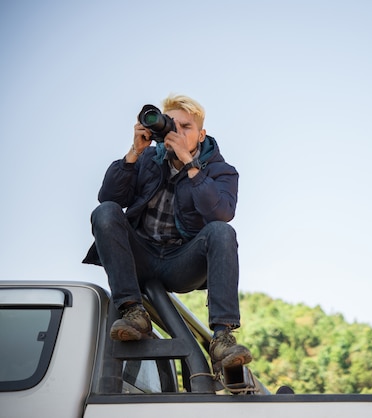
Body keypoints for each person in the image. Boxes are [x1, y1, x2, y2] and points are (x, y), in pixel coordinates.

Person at [83, 94, 251, 369]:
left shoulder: (223, 171)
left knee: (222, 231)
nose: (178, 131)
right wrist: (134, 152)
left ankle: (222, 338)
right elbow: (109, 197)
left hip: (181, 263)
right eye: (173, 125)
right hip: (141, 256)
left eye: (186, 127)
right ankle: (132, 311)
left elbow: (221, 213)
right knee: (105, 212)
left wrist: (189, 163)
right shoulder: (148, 158)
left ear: (201, 135)